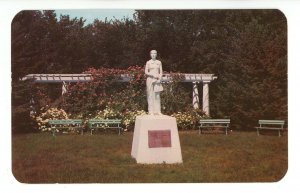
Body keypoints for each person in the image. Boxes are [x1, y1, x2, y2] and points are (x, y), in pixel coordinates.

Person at [145, 50, 163, 115]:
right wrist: (152, 75)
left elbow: (161, 72)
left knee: (157, 96)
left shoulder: (159, 62)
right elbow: (146, 72)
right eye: (152, 53)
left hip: (157, 80)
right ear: (150, 54)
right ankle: (151, 111)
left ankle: (158, 111)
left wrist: (159, 79)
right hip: (150, 79)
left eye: (155, 53)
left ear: (156, 54)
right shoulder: (148, 62)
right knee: (150, 95)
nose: (153, 55)